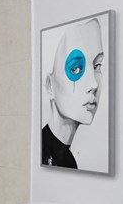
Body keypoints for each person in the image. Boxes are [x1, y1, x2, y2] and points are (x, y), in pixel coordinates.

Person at [42, 17, 104, 169]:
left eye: (97, 65)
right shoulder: (45, 155)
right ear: (50, 85)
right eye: (75, 69)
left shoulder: (67, 159)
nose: (94, 84)